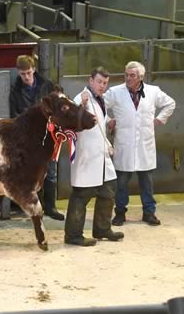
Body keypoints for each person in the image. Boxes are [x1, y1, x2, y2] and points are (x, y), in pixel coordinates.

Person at [105, 61, 175, 227]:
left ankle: (149, 213)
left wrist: (159, 119)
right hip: (124, 145)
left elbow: (170, 103)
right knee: (121, 183)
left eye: (132, 75)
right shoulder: (115, 92)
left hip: (145, 145)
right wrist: (109, 120)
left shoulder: (153, 91)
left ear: (141, 77)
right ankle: (120, 213)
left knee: (147, 182)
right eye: (126, 75)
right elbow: (99, 106)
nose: (128, 78)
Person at [65, 67, 124, 246]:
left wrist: (109, 122)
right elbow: (73, 121)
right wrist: (82, 105)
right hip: (87, 156)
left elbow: (100, 119)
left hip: (102, 156)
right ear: (90, 81)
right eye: (99, 82)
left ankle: (102, 229)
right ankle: (73, 235)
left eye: (105, 83)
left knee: (109, 190)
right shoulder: (80, 98)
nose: (102, 86)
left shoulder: (101, 99)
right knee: (82, 195)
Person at [9, 55, 64, 221]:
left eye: (28, 73)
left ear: (33, 69)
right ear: (18, 72)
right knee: (34, 173)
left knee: (51, 171)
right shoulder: (15, 90)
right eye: (23, 74)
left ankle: (51, 206)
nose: (26, 77)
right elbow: (15, 115)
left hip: (49, 133)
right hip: (30, 137)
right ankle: (37, 206)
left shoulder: (47, 85)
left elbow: (58, 105)